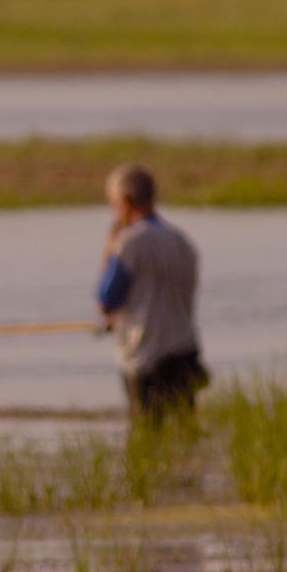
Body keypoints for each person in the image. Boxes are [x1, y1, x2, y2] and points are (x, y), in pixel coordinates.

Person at [96, 163, 207, 422]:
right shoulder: (181, 241)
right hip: (184, 353)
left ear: (125, 201)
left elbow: (106, 300)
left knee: (148, 438)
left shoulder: (129, 243)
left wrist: (109, 244)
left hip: (146, 358)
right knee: (184, 430)